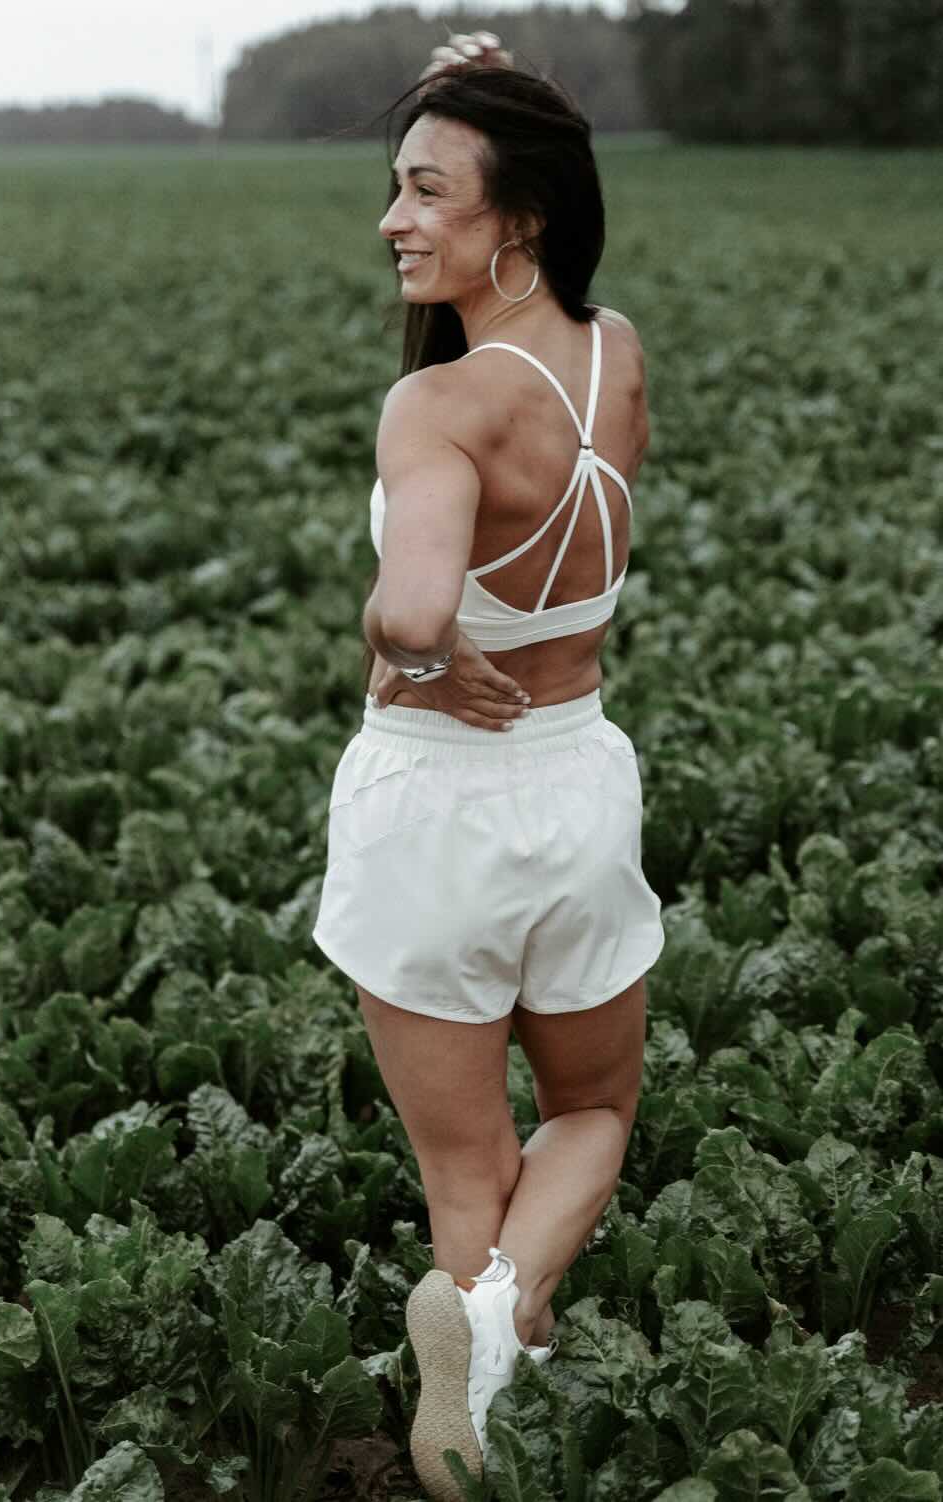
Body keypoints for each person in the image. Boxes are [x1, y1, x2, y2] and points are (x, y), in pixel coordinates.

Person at [311, 31, 666, 1501]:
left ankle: (472, 1396)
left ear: (514, 216)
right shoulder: (615, 354)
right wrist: (506, 87)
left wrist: (408, 642)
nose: (392, 219)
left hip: (433, 805)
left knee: (467, 1168)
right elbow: (549, 173)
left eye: (425, 190)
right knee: (594, 1114)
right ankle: (507, 1330)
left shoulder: (440, 406)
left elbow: (413, 608)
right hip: (576, 786)